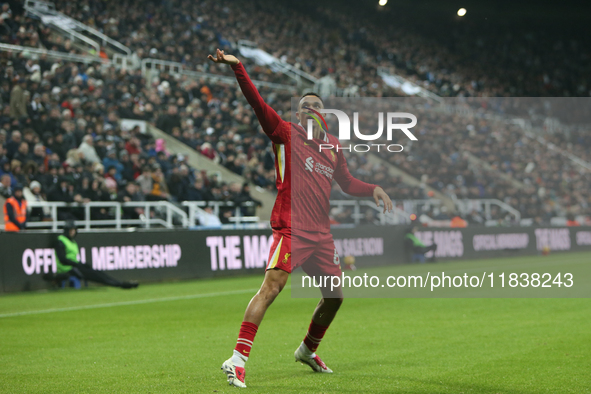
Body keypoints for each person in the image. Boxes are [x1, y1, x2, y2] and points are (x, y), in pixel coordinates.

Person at [208, 49, 393, 388]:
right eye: (305, 105)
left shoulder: (333, 147)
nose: (311, 109)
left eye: (317, 106)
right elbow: (258, 105)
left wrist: (373, 189)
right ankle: (237, 359)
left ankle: (307, 350)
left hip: (321, 235)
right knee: (272, 288)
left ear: (325, 113)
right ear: (298, 112)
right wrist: (238, 68)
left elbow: (349, 184)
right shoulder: (286, 133)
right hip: (291, 229)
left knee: (335, 297)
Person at [49, 221, 139, 289]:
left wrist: (80, 264)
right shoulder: (60, 241)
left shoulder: (72, 242)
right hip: (67, 268)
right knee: (94, 275)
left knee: (97, 272)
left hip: (74, 266)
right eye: (71, 230)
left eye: (74, 230)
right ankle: (120, 285)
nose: (73, 232)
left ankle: (119, 283)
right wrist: (77, 264)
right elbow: (62, 259)